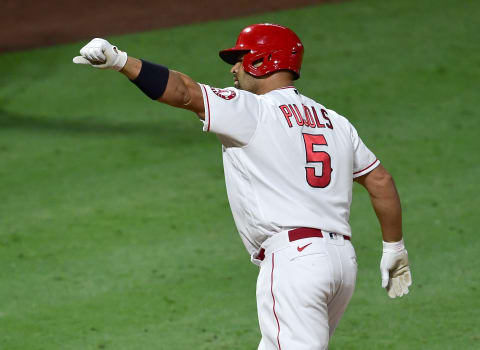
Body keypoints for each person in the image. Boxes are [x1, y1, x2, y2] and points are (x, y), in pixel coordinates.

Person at [73, 23, 412, 350]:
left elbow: (183, 92)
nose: (234, 69)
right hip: (342, 264)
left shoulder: (253, 109)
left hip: (295, 262)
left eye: (239, 58)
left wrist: (121, 61)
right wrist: (394, 248)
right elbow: (380, 180)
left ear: (261, 61)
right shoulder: (335, 122)